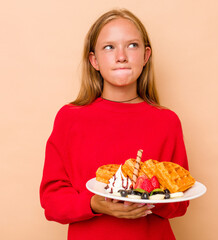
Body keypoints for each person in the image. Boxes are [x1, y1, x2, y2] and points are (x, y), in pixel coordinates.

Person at [40, 8, 190, 240]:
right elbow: (52, 201)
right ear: (94, 60)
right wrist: (95, 204)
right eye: (109, 47)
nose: (122, 56)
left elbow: (180, 204)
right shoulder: (70, 118)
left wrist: (147, 197)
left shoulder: (167, 121)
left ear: (146, 55)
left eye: (132, 45)